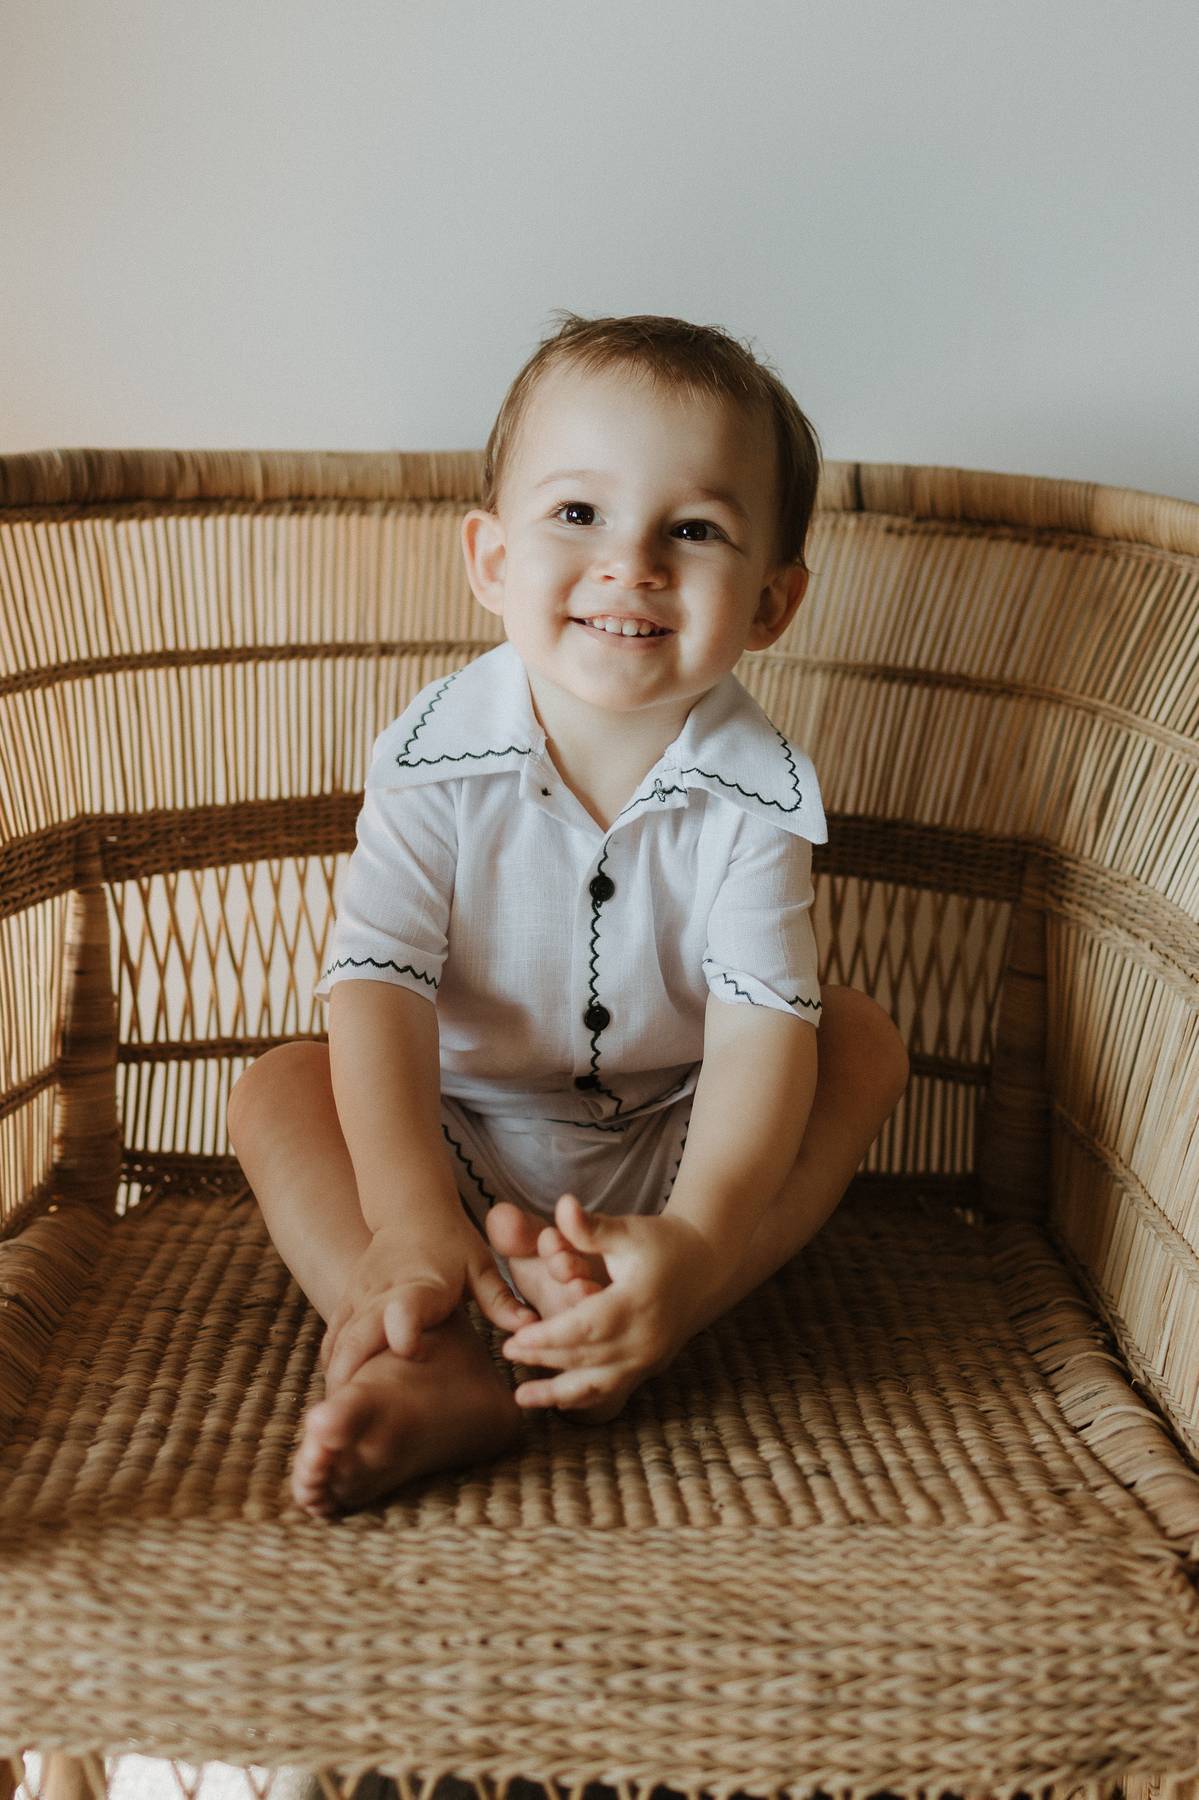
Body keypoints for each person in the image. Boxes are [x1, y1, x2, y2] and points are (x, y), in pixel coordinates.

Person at [226, 311, 910, 1518]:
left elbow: (757, 1033)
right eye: (578, 514)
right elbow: (379, 984)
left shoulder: (760, 798)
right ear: (490, 560)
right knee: (280, 1083)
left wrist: (697, 1230)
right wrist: (405, 1215)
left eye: (693, 531)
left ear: (770, 603)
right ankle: (412, 1321)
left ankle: (663, 1303)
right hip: (454, 1139)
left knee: (851, 1038)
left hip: (672, 1147)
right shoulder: (430, 758)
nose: (630, 565)